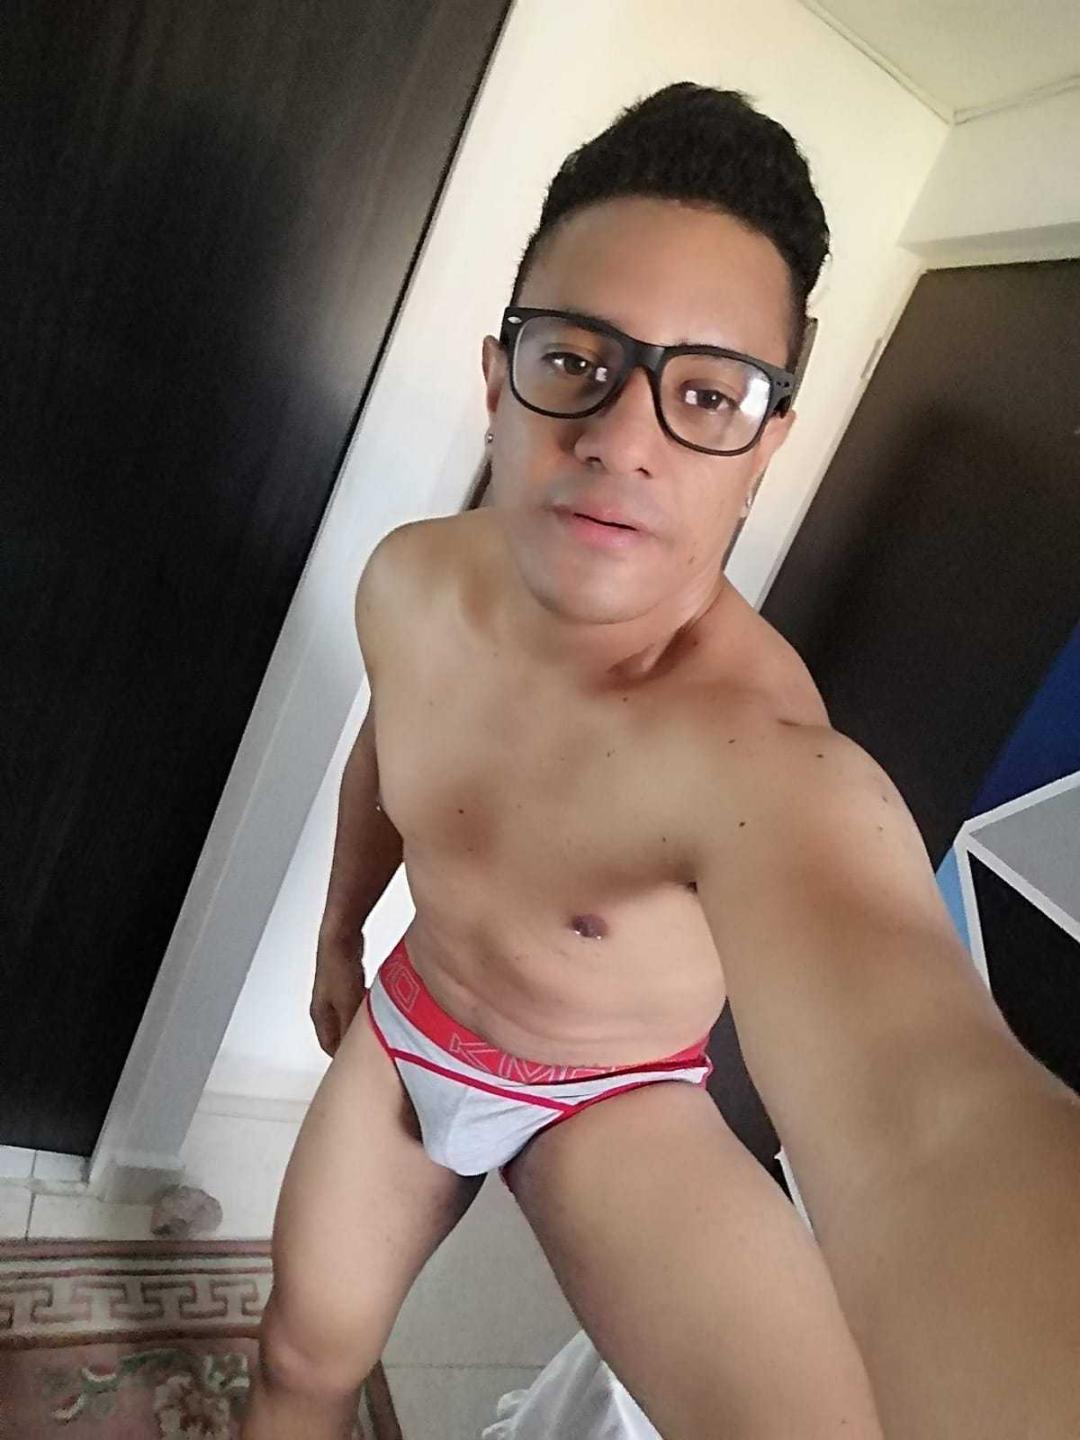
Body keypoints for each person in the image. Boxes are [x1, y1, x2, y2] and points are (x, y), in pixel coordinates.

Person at [242, 83, 1080, 1439]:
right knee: (297, 1362)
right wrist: (340, 935)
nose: (621, 439)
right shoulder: (407, 582)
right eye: (575, 359)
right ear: (497, 380)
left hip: (612, 1100)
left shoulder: (765, 752)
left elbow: (927, 1116)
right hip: (416, 1028)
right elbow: (391, 752)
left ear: (766, 447)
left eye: (707, 393)